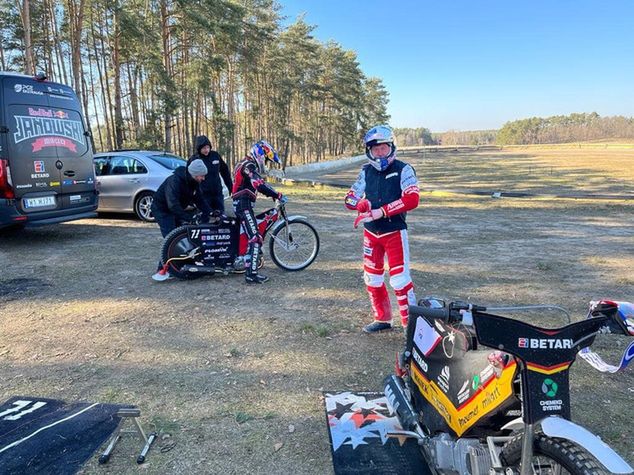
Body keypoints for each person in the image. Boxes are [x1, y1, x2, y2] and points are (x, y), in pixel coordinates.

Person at [345, 125, 420, 333]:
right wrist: (360, 205)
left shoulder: (404, 169)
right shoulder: (365, 171)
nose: (380, 153)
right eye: (376, 149)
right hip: (370, 233)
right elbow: (350, 197)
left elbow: (412, 199)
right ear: (369, 151)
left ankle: (410, 326)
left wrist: (383, 211)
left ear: (391, 147)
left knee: (400, 280)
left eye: (384, 148)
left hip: (394, 231)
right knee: (372, 277)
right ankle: (383, 319)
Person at [232, 140, 286, 284]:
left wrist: (273, 192)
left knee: (252, 235)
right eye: (266, 159)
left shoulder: (244, 163)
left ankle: (249, 265)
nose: (266, 163)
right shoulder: (248, 165)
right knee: (256, 238)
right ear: (260, 154)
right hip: (243, 205)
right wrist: (277, 195)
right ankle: (251, 274)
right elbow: (258, 184)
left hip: (242, 204)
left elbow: (259, 183)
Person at [151, 159, 211, 281]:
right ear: (194, 174)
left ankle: (179, 265)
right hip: (162, 210)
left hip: (176, 209)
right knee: (171, 237)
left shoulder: (194, 182)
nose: (203, 178)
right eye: (202, 176)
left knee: (182, 237)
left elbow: (199, 200)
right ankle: (162, 270)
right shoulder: (175, 181)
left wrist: (210, 211)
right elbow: (172, 204)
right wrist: (187, 218)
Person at [187, 135, 233, 213]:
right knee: (205, 217)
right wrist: (191, 198)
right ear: (199, 148)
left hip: (217, 192)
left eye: (208, 147)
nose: (206, 150)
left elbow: (225, 172)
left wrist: (230, 187)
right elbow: (189, 178)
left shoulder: (215, 156)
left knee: (220, 216)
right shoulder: (194, 159)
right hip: (203, 195)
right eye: (204, 148)